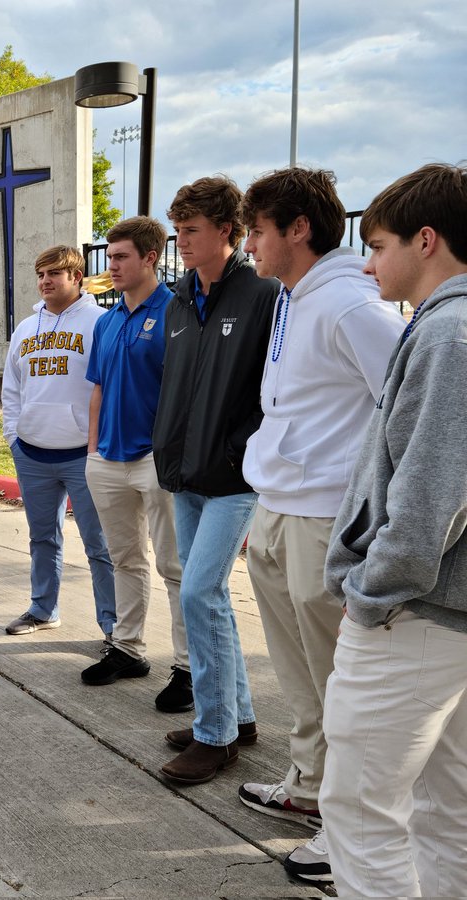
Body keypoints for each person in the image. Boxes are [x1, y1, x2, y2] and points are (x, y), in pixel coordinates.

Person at [237, 167, 405, 884]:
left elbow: (408, 407)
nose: (249, 244)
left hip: (325, 518)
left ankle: (351, 834)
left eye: (256, 231)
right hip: (279, 507)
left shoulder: (349, 304)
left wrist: (373, 516)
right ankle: (309, 785)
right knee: (297, 668)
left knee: (343, 681)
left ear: (298, 229)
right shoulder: (294, 296)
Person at [321, 163, 467, 898]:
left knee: (360, 814)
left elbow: (429, 499)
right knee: (447, 812)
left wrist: (368, 596)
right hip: (446, 615)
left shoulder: (449, 333)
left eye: (378, 246)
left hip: (414, 615)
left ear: (427, 240)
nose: (368, 263)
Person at [154, 176, 278, 785]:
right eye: (176, 229)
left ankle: (215, 734)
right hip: (185, 471)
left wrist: (239, 450)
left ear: (227, 230)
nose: (180, 240)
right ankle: (238, 716)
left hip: (232, 477)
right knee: (211, 595)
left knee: (199, 593)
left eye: (191, 230)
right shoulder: (179, 301)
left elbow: (275, 390)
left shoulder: (263, 296)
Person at [83, 217, 191, 713]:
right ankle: (127, 648)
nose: (112, 265)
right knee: (125, 558)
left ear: (150, 257)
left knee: (175, 566)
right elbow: (98, 390)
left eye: (121, 256)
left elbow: (186, 391)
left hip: (156, 458)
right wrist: (92, 452)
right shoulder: (106, 321)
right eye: (109, 255)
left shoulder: (176, 312)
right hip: (107, 458)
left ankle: (188, 668)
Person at [1, 245, 116, 638]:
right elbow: (11, 388)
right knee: (42, 538)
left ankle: (113, 625)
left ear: (76, 277)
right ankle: (43, 609)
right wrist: (14, 436)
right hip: (32, 454)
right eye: (40, 274)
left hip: (84, 455)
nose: (45, 281)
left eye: (54, 274)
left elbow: (111, 387)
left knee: (99, 544)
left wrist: (98, 447)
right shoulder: (24, 329)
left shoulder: (100, 322)